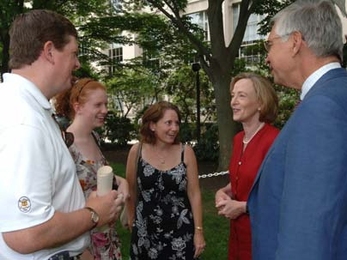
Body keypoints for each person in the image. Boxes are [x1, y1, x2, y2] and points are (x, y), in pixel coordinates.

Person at [0, 10, 122, 260]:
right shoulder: (24, 123)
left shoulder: (26, 109)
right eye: (74, 53)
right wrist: (94, 212)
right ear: (49, 51)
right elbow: (26, 234)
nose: (77, 63)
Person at [247, 1, 347, 260]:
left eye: (269, 44)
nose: (267, 56)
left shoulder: (321, 108)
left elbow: (310, 232)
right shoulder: (335, 94)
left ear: (295, 42)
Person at [54, 78, 129, 259]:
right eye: (98, 105)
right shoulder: (65, 145)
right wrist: (81, 251)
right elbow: (60, 202)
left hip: (107, 236)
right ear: (78, 107)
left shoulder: (94, 137)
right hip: (83, 242)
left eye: (105, 104)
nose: (105, 110)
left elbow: (95, 175)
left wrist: (122, 181)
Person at [125, 101, 206, 259]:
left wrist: (198, 231)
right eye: (168, 123)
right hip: (145, 231)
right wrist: (131, 218)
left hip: (180, 233)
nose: (174, 128)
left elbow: (195, 194)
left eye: (177, 123)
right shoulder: (137, 151)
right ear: (152, 125)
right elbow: (131, 188)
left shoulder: (186, 152)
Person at [215, 72, 279, 260]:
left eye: (241, 96)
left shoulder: (274, 141)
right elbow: (243, 180)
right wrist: (224, 191)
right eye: (233, 95)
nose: (233, 101)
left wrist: (243, 207)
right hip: (236, 238)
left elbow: (282, 196)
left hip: (262, 239)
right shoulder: (238, 140)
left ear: (260, 103)